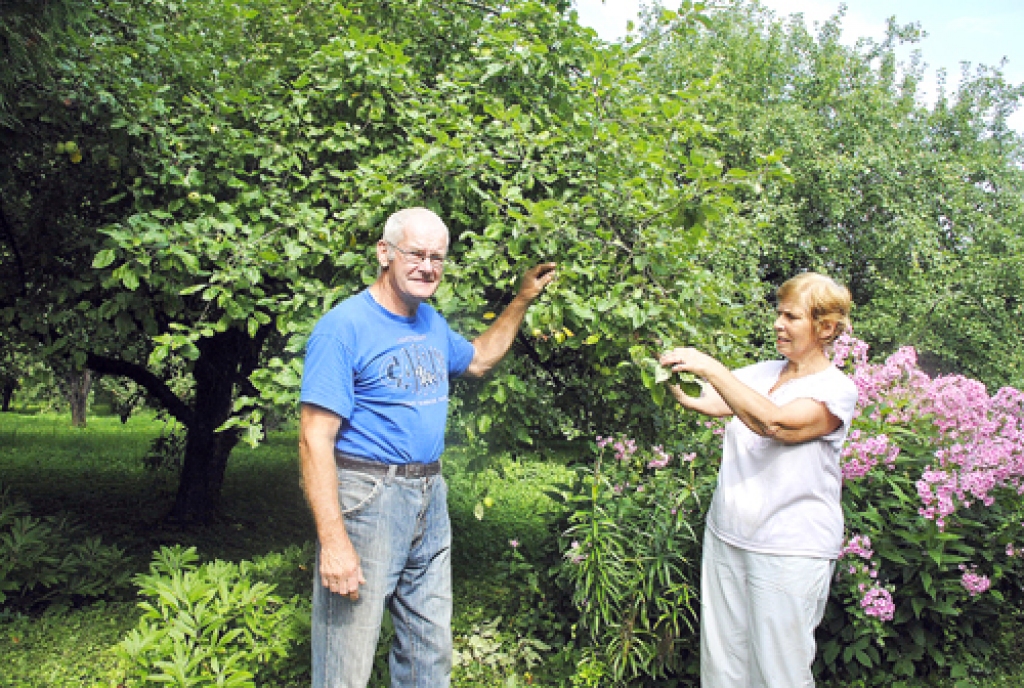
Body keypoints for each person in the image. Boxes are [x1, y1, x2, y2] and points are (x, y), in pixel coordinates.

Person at [298, 206, 556, 688]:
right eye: (416, 253)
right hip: (367, 498)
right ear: (385, 253)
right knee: (344, 664)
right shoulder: (343, 327)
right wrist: (334, 543)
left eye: (437, 257)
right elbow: (314, 437)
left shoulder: (430, 323)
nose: (427, 266)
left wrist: (521, 300)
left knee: (428, 653)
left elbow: (478, 359)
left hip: (428, 497)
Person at [659, 272, 859, 687]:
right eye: (778, 314)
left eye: (791, 317)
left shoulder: (836, 389)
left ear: (825, 328)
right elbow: (717, 400)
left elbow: (775, 423)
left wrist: (710, 366)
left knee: (778, 672)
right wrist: (672, 378)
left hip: (789, 549)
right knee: (724, 667)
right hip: (728, 536)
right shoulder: (765, 372)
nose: (778, 324)